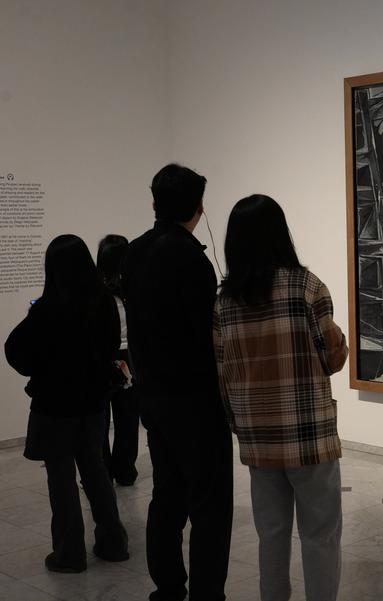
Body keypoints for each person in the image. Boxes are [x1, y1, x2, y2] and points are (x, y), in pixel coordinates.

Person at [214, 195, 348, 601]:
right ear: (280, 233)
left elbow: (223, 374)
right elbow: (333, 357)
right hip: (309, 434)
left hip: (258, 437)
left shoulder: (224, 303)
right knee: (320, 534)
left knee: (270, 534)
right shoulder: (306, 287)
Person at [122, 164, 233, 601]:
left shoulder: (134, 252)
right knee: (209, 504)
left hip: (153, 395)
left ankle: (168, 588)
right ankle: (207, 594)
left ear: (154, 203)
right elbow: (204, 335)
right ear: (199, 206)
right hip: (195, 399)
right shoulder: (191, 259)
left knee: (166, 495)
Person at [5, 235, 129, 573]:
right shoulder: (104, 303)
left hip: (55, 406)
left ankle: (70, 553)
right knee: (96, 472)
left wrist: (41, 367)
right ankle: (113, 542)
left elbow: (15, 350)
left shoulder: (46, 309)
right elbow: (108, 348)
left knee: (61, 480)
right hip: (93, 403)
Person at [97, 234, 139, 486]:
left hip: (100, 357)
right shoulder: (131, 288)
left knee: (101, 419)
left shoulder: (92, 290)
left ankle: (102, 470)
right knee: (127, 418)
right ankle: (124, 469)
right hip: (127, 357)